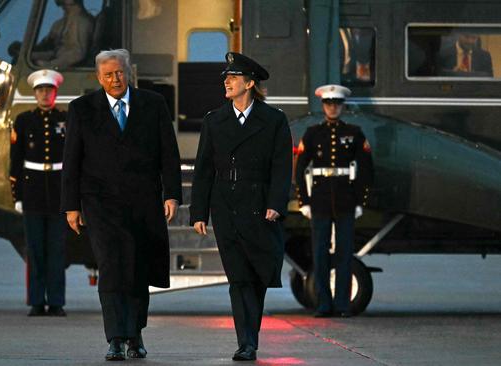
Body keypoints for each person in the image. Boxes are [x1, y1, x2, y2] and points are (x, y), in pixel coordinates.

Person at [60, 49, 182, 361]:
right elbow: (71, 161)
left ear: (128, 73)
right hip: (100, 204)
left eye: (119, 73)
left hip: (144, 202)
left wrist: (172, 194)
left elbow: (169, 153)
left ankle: (135, 334)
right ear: (98, 78)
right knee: (112, 269)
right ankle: (115, 337)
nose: (115, 79)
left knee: (138, 269)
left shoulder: (153, 104)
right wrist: (70, 206)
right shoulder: (82, 109)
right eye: (108, 74)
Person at [190, 52, 292, 361]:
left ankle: (251, 335)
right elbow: (204, 168)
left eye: (233, 78)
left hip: (259, 208)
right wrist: (199, 212)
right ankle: (245, 342)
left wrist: (276, 203)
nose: (227, 82)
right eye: (226, 78)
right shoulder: (214, 120)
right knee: (238, 278)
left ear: (249, 83)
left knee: (257, 275)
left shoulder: (274, 119)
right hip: (226, 207)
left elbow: (281, 166)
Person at [295, 84, 373, 318]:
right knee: (319, 253)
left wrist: (360, 201)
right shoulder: (312, 134)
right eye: (329, 104)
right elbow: (299, 170)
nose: (333, 108)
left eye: (337, 104)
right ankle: (323, 304)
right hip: (319, 199)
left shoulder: (355, 133)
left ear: (342, 106)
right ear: (323, 106)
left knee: (344, 253)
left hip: (345, 199)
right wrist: (304, 201)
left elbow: (366, 170)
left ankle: (342, 304)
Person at [9, 69, 68, 317]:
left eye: (49, 90)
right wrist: (18, 196)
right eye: (41, 90)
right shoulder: (23, 122)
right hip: (32, 192)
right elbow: (16, 161)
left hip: (58, 192)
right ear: (35, 94)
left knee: (57, 250)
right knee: (35, 250)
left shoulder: (66, 121)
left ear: (55, 93)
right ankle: (36, 300)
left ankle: (56, 302)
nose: (45, 94)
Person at [32, 0, 95, 69]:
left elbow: (77, 53)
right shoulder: (58, 25)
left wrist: (50, 64)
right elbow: (48, 48)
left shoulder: (82, 22)